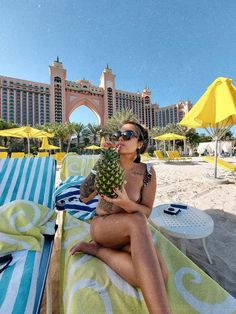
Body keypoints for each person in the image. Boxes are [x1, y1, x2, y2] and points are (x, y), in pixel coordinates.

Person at [70, 121, 172, 314]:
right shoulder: (107, 163)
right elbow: (84, 197)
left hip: (129, 233)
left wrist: (127, 204)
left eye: (128, 135)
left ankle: (97, 251)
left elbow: (147, 210)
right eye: (118, 134)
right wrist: (102, 159)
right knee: (138, 221)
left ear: (140, 144)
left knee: (162, 275)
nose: (120, 138)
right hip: (103, 228)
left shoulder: (147, 173)